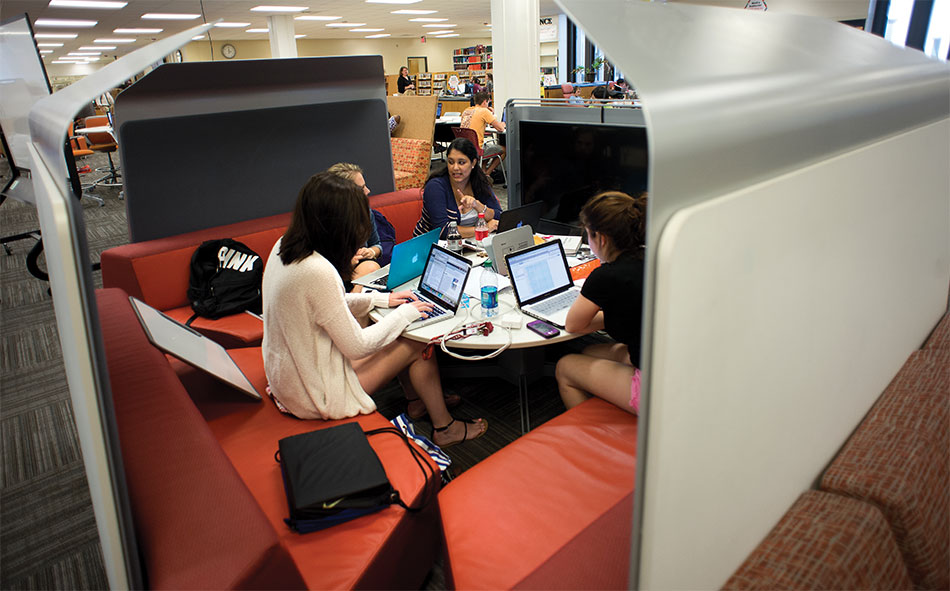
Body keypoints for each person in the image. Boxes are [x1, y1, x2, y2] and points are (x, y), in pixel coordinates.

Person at [262, 172, 488, 446]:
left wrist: (379, 300)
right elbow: (357, 346)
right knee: (417, 343)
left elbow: (321, 305)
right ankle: (445, 428)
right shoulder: (317, 271)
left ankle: (417, 401)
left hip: (288, 377)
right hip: (313, 392)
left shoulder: (284, 246)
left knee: (398, 326)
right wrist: (406, 313)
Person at [555, 191, 647, 415]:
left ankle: (589, 440)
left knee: (565, 366)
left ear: (601, 238)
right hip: (671, 361)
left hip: (654, 387)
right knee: (589, 351)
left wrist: (611, 313)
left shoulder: (607, 276)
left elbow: (574, 325)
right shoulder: (650, 256)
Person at [412, 137, 502, 239]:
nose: (455, 168)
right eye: (451, 162)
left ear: (473, 163)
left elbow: (499, 217)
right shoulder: (435, 187)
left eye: (461, 163)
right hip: (431, 248)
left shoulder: (479, 182)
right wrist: (483, 229)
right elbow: (443, 231)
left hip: (468, 245)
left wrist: (478, 206)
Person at [326, 162, 382, 286]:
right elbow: (324, 273)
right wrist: (348, 263)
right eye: (362, 188)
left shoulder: (366, 212)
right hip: (336, 282)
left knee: (370, 267)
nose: (368, 191)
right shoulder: (325, 224)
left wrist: (372, 252)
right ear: (344, 194)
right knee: (370, 268)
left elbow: (377, 244)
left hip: (362, 273)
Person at [460, 90, 506, 176]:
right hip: (477, 149)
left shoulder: (467, 110)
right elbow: (500, 128)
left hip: (463, 147)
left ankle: (483, 170)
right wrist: (503, 124)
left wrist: (490, 114)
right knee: (504, 150)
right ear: (485, 102)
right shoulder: (484, 111)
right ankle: (486, 176)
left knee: (487, 147)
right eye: (488, 102)